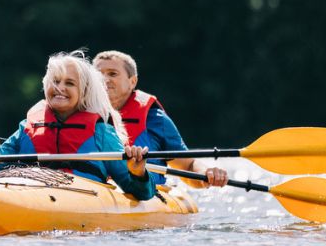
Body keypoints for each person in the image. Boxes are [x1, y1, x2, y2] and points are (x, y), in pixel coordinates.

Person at [0, 51, 157, 200]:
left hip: (82, 199)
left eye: (70, 83)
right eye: (55, 81)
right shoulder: (27, 128)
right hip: (27, 192)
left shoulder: (101, 133)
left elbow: (140, 193)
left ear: (84, 91)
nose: (60, 88)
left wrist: (138, 172)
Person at [94, 50, 228, 189]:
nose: (104, 79)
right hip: (95, 191)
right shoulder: (79, 115)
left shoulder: (155, 120)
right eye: (98, 75)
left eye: (112, 74)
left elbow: (188, 165)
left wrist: (206, 173)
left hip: (144, 194)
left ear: (132, 82)